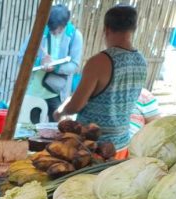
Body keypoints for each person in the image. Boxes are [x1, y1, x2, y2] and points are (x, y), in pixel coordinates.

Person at [54, 5, 147, 150]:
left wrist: (60, 112)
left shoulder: (99, 62)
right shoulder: (141, 61)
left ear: (106, 29)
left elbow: (76, 105)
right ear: (133, 29)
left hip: (92, 146)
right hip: (122, 143)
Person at [19, 5, 83, 122]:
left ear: (65, 24)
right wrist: (39, 62)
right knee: (31, 130)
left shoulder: (74, 36)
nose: (53, 32)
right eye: (50, 28)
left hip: (57, 93)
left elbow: (75, 65)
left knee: (56, 130)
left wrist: (56, 67)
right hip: (34, 91)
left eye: (57, 29)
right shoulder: (39, 31)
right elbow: (21, 57)